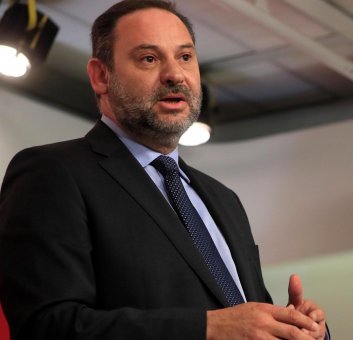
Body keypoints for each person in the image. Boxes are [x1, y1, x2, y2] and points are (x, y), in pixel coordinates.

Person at [0, 1, 328, 339]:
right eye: (149, 58)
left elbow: (246, 321)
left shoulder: (223, 199)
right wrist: (208, 328)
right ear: (101, 76)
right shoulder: (53, 173)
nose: (175, 74)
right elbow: (47, 326)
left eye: (185, 57)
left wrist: (298, 328)